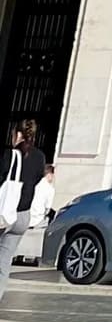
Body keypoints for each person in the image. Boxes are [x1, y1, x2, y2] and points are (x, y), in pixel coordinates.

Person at [0, 121, 52, 307]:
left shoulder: (8, 155)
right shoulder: (40, 157)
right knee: (4, 264)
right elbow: (37, 178)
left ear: (18, 134)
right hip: (23, 216)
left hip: (3, 215)